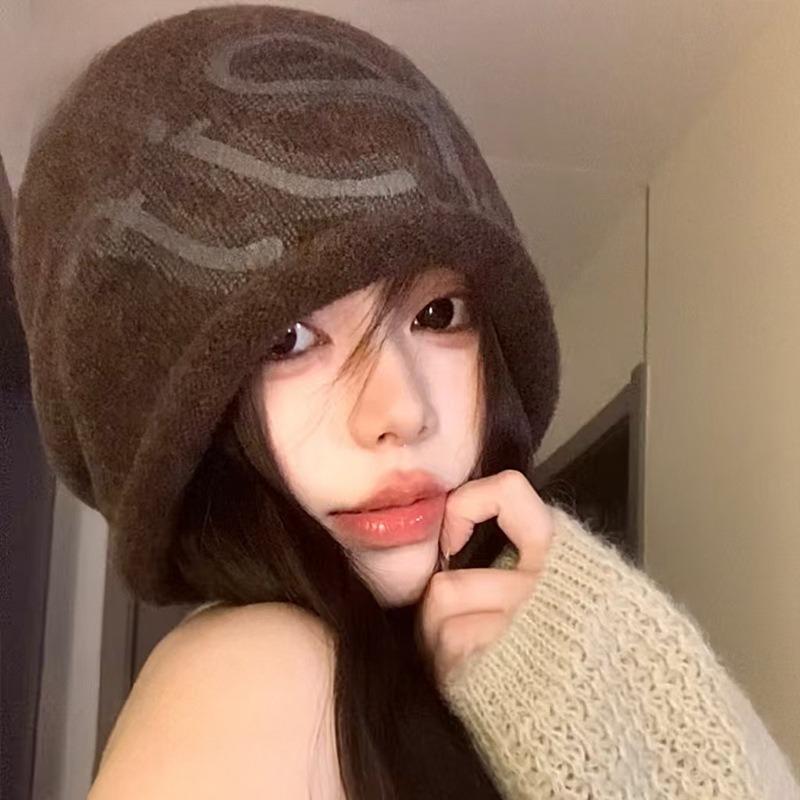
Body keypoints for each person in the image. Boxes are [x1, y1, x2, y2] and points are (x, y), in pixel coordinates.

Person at [11, 5, 799, 799]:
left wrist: (621, 681)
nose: (403, 412)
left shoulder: (465, 670)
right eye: (287, 339)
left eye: (437, 314)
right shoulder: (249, 673)